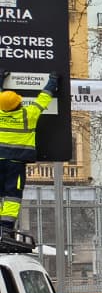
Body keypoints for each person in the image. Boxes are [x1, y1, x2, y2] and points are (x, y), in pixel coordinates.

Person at [0, 76, 57, 243]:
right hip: (15, 164)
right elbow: (44, 97)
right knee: (12, 196)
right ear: (18, 103)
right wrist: (53, 80)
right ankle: (5, 228)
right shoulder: (28, 114)